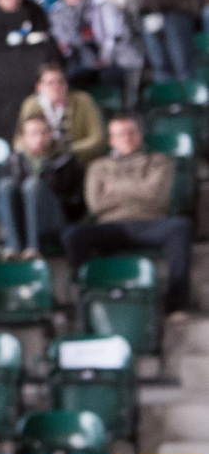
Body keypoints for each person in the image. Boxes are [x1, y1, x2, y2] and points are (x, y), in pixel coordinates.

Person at [67, 115, 195, 314]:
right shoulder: (98, 167)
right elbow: (96, 204)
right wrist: (140, 190)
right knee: (74, 234)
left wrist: (115, 188)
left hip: (150, 224)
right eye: (119, 134)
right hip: (111, 227)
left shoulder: (160, 162)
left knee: (181, 226)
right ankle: (91, 298)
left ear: (140, 135)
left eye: (131, 132)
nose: (126, 138)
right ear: (111, 140)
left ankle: (176, 304)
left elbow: (156, 197)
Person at [0, 114, 84, 256]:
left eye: (44, 132)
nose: (39, 138)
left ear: (50, 134)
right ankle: (13, 248)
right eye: (33, 134)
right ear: (24, 137)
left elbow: (76, 202)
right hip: (23, 222)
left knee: (33, 185)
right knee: (6, 185)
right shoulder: (14, 162)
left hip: (57, 218)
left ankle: (34, 248)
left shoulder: (65, 160)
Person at [15, 63, 106, 164]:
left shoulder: (82, 100)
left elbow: (97, 138)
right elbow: (19, 141)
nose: (56, 87)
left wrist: (67, 151)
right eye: (50, 83)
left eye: (60, 82)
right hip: (41, 162)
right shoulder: (31, 104)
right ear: (39, 87)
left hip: (78, 161)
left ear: (66, 84)